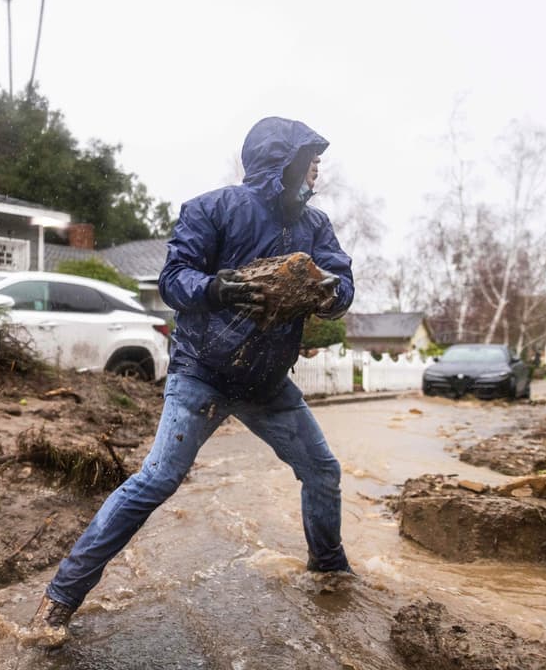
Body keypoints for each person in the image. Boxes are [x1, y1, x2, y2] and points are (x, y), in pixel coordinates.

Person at [28, 116, 355, 644]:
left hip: (268, 384)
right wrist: (217, 288)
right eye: (308, 157)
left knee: (322, 470)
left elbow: (343, 282)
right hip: (202, 373)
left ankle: (331, 573)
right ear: (282, 161)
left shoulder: (315, 227)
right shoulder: (212, 208)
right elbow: (174, 280)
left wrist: (328, 289)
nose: (317, 166)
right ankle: (60, 599)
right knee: (156, 479)